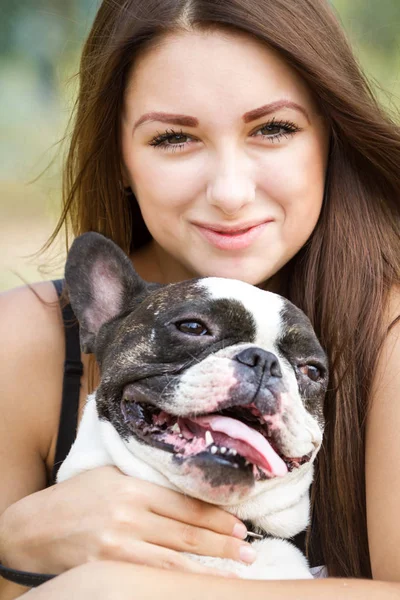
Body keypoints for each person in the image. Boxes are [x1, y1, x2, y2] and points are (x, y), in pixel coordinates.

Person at [1, 0, 400, 597]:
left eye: (273, 129)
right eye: (174, 138)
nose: (231, 192)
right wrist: (14, 541)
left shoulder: (387, 329)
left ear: (331, 138)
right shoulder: (25, 340)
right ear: (119, 159)